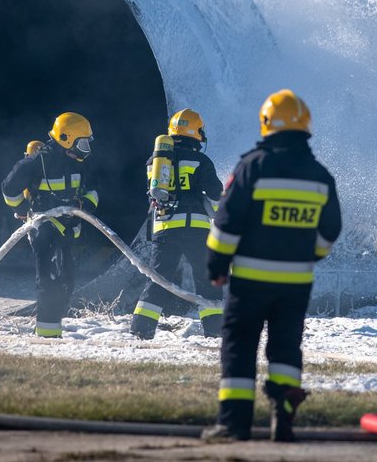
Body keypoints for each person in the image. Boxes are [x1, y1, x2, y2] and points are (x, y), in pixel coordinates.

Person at [201, 90, 342, 443]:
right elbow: (330, 230)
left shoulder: (253, 167)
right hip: (296, 284)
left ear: (266, 123)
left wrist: (217, 265)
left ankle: (233, 425)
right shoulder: (320, 175)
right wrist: (309, 256)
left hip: (250, 281)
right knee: (286, 348)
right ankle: (284, 421)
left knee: (240, 345)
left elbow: (226, 224)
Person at [1, 113, 99, 338]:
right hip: (44, 227)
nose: (86, 149)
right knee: (48, 278)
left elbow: (93, 191)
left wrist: (83, 205)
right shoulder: (38, 162)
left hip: (69, 228)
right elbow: (9, 188)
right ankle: (47, 335)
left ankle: (51, 327)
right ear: (66, 139)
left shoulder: (83, 163)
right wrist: (22, 209)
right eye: (82, 143)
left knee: (67, 281)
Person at [130, 109, 225, 340]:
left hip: (164, 229)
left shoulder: (155, 162)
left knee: (159, 279)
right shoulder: (200, 160)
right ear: (196, 132)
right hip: (195, 229)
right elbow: (215, 192)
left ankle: (141, 329)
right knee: (207, 279)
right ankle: (215, 330)